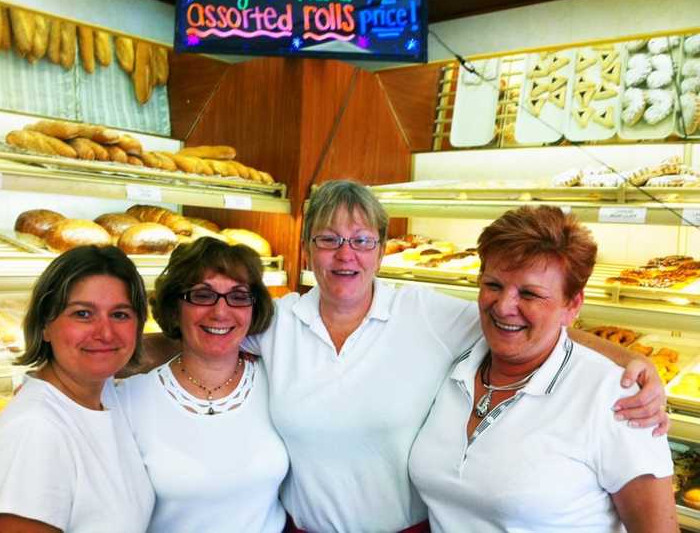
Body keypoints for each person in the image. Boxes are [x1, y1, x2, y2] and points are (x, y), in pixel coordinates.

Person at [239, 180, 669, 533]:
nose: (345, 253)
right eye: (328, 239)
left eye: (362, 240)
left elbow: (536, 328)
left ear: (383, 249)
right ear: (306, 247)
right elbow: (201, 339)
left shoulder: (424, 314)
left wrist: (635, 365)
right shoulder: (275, 321)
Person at [409, 205, 677, 532]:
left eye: (530, 294)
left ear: (572, 305)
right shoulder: (454, 363)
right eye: (493, 285)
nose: (505, 306)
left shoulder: (615, 400)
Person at [115, 237, 288, 532]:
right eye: (202, 295)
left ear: (253, 308)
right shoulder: (128, 399)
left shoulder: (280, 384)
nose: (221, 312)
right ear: (174, 307)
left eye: (238, 296)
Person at [0, 245, 154, 533]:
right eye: (83, 314)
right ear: (45, 325)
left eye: (120, 315)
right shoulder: (34, 433)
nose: (105, 332)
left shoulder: (102, 396)